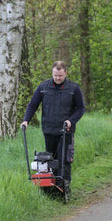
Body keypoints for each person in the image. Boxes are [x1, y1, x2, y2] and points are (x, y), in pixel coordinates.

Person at [21, 61, 85, 189]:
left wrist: (71, 121)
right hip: (49, 130)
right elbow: (33, 105)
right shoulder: (43, 87)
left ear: (65, 73)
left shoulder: (73, 89)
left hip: (65, 131)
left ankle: (64, 187)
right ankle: (51, 188)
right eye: (55, 75)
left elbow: (80, 108)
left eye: (60, 76)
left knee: (64, 160)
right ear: (52, 73)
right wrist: (26, 120)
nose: (57, 78)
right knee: (49, 160)